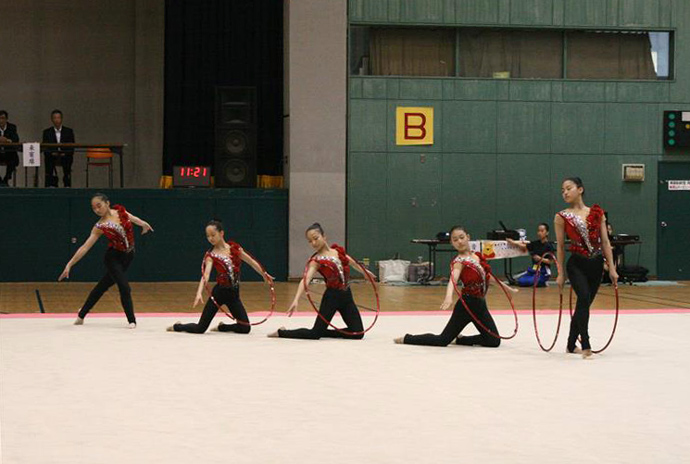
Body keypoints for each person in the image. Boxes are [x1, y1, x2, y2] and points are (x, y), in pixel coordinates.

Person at [394, 225, 503, 348]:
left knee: (494, 341)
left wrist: (506, 289)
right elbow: (453, 280)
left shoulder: (476, 256)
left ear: (468, 237)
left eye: (461, 237)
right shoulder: (459, 261)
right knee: (442, 340)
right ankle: (408, 338)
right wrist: (448, 296)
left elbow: (487, 276)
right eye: (455, 240)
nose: (459, 241)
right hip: (467, 305)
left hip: (480, 304)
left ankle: (461, 340)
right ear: (452, 243)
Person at [59, 193, 154, 328]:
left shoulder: (121, 211)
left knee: (102, 286)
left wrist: (143, 224)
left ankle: (81, 314)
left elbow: (133, 218)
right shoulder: (100, 226)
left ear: (107, 203)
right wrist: (69, 264)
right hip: (113, 258)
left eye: (99, 206)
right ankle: (131, 320)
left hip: (128, 257)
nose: (97, 210)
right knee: (124, 287)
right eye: (94, 208)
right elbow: (85, 247)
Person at [268, 223, 373, 340]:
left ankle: (324, 332)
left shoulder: (338, 252)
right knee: (315, 334)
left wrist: (365, 273)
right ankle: (282, 332)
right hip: (331, 298)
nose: (313, 243)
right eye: (310, 241)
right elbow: (306, 279)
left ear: (324, 236)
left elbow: (353, 263)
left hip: (347, 296)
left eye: (315, 238)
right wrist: (296, 299)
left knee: (358, 333)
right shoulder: (316, 260)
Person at [167, 220, 273, 334]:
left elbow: (251, 261)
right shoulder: (211, 255)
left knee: (245, 328)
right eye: (208, 236)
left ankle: (222, 327)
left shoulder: (234, 248)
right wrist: (199, 292)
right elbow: (206, 275)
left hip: (234, 295)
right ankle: (177, 326)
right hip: (219, 293)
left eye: (213, 235)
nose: (210, 238)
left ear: (221, 233)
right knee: (200, 328)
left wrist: (264, 274)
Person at [554, 177, 618, 359]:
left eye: (568, 188)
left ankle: (570, 343)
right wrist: (560, 274)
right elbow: (559, 246)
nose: (565, 192)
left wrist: (612, 269)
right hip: (576, 265)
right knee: (583, 298)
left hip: (596, 265)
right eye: (562, 190)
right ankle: (586, 342)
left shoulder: (597, 213)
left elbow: (605, 242)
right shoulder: (561, 216)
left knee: (584, 304)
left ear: (580, 189)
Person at [507, 223, 555, 287]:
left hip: (543, 271)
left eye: (542, 231)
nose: (539, 233)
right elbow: (524, 246)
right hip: (534, 269)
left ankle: (542, 281)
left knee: (533, 281)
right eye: (538, 231)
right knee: (521, 281)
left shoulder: (549, 246)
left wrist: (540, 259)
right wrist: (512, 242)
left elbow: (551, 261)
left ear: (547, 233)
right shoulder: (535, 243)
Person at [43, 109, 75, 187]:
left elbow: (72, 145)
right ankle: (51, 184)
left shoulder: (68, 131)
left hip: (65, 155)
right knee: (48, 159)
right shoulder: (47, 132)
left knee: (68, 159)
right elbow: (45, 147)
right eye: (55, 118)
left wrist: (65, 153)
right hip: (52, 155)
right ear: (52, 119)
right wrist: (52, 152)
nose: (57, 120)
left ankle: (67, 184)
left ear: (61, 119)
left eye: (58, 118)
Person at [0, 110, 20, 186]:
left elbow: (16, 139)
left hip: (8, 152)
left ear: (6, 119)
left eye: (2, 118)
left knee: (13, 158)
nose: (1, 120)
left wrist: (7, 140)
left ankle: (6, 179)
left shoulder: (12, 127)